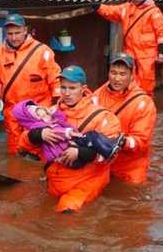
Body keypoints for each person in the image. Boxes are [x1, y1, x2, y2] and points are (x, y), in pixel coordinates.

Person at [20, 65, 122, 213]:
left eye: (72, 88)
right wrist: (38, 135)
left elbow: (111, 155)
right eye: (63, 88)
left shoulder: (102, 117)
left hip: (86, 181)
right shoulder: (51, 112)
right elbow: (23, 146)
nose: (66, 93)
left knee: (66, 212)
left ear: (83, 89)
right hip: (55, 180)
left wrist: (80, 153)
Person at [0, 14, 61, 155]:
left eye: (17, 32)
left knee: (40, 151)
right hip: (12, 112)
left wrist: (57, 103)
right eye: (10, 33)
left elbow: (55, 79)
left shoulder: (42, 51)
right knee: (15, 152)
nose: (13, 37)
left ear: (25, 30)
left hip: (39, 112)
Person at [87, 0, 163, 95]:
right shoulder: (126, 8)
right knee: (127, 81)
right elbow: (110, 11)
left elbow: (162, 32)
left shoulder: (154, 12)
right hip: (130, 52)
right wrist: (96, 5)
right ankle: (128, 104)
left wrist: (161, 52)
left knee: (146, 84)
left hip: (147, 55)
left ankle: (145, 106)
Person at [92, 52, 157, 184]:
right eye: (113, 73)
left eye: (122, 74)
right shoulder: (97, 95)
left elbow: (141, 141)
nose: (117, 78)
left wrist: (121, 142)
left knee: (130, 198)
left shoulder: (143, 103)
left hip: (130, 167)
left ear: (132, 75)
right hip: (102, 162)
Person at [12, 99, 125, 167]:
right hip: (65, 154)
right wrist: (70, 133)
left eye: (38, 108)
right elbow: (57, 132)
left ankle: (109, 149)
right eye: (36, 111)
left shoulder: (49, 118)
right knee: (91, 137)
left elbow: (61, 119)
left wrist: (54, 112)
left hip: (67, 153)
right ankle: (109, 150)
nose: (40, 110)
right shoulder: (40, 127)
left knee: (90, 140)